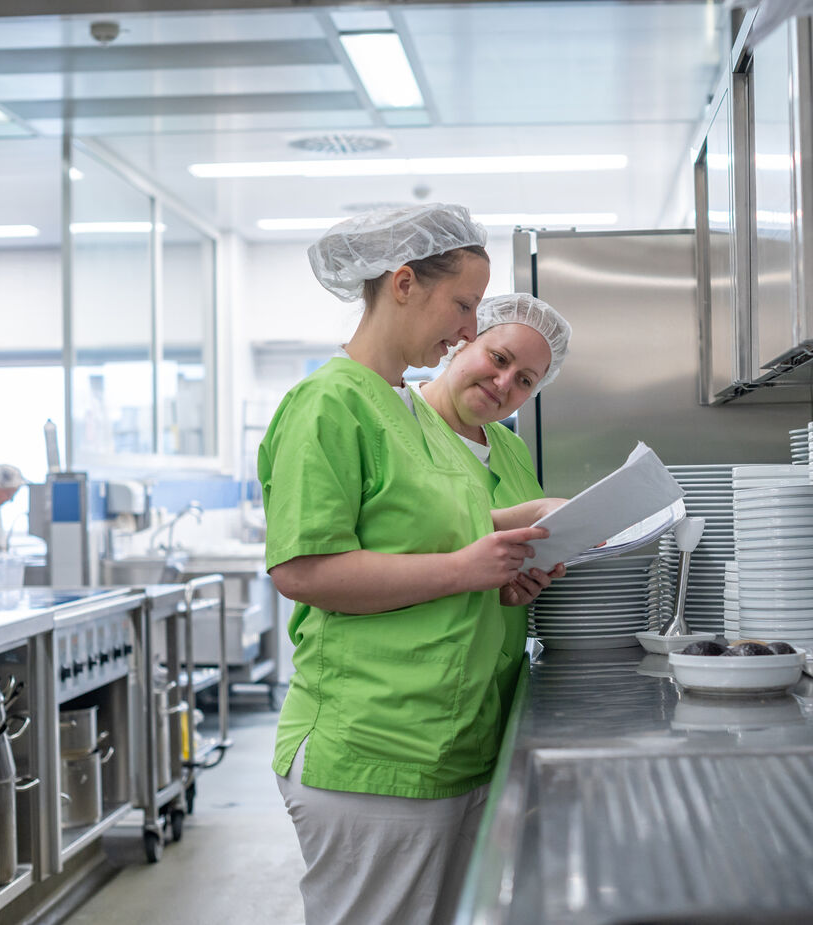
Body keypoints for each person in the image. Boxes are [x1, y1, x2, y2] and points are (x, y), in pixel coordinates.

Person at [261, 203, 566, 925]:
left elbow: (428, 540)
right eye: (462, 304)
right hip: (375, 743)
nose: (468, 326)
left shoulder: (400, 407)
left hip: (446, 741)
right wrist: (468, 568)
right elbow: (302, 571)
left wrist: (504, 556)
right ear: (402, 283)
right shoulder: (328, 402)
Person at [414, 293, 572, 726]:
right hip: (406, 707)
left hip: (489, 707)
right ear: (463, 342)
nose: (504, 383)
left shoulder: (511, 447)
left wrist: (515, 586)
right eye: (499, 358)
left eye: (525, 380)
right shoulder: (399, 427)